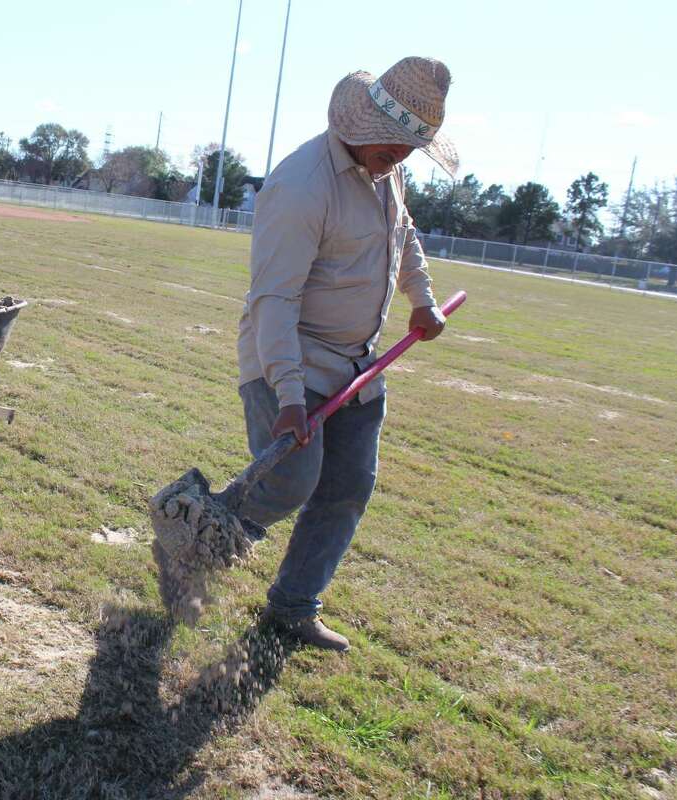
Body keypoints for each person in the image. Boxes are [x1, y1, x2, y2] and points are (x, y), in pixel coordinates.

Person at [236, 57, 458, 652]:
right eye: (396, 145)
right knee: (288, 484)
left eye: (412, 146)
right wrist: (287, 394)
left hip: (358, 366)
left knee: (348, 487)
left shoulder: (385, 170)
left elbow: (403, 234)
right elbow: (273, 300)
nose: (403, 157)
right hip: (290, 357)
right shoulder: (302, 185)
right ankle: (201, 533)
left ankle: (292, 607)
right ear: (359, 125)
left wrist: (422, 299)